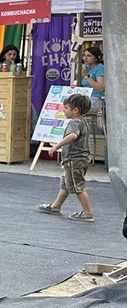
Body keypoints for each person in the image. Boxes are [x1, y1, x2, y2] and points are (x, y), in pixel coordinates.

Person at [35, 93, 94, 222]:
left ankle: (88, 213)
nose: (63, 110)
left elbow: (73, 135)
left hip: (74, 160)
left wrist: (57, 146)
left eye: (66, 108)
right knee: (66, 184)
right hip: (80, 160)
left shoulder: (74, 122)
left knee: (77, 187)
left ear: (75, 110)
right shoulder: (83, 121)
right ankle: (56, 206)